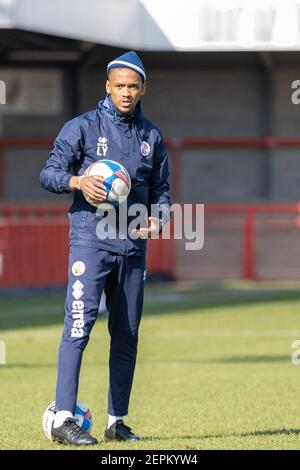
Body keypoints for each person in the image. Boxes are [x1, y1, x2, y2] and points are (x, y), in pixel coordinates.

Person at [40, 50, 170, 446]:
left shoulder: (151, 137)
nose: (126, 93)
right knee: (78, 327)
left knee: (127, 333)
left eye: (133, 86)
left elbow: (161, 189)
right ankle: (64, 417)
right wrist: (78, 182)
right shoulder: (80, 127)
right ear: (107, 87)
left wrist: (158, 217)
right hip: (90, 243)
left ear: (143, 88)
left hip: (132, 248)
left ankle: (117, 422)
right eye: (119, 86)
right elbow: (49, 173)